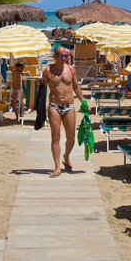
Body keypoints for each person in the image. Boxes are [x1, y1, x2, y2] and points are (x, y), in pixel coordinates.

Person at [42, 46, 85, 177]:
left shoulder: (71, 69)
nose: (65, 58)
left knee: (71, 137)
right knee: (55, 136)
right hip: (54, 106)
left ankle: (66, 156)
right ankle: (57, 167)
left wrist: (83, 101)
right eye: (62, 56)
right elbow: (42, 90)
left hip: (69, 106)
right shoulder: (48, 70)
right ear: (56, 56)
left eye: (66, 56)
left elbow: (76, 87)